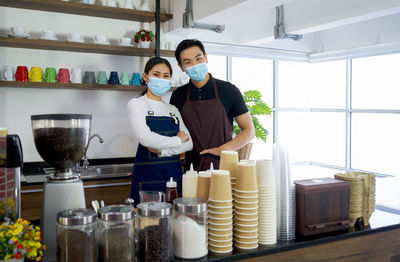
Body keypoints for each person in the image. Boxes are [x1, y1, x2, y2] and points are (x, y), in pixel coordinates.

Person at [170, 39, 255, 171]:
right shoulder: (178, 96)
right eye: (188, 62)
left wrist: (222, 150)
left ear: (206, 58)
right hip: (191, 168)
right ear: (181, 67)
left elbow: (249, 130)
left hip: (223, 166)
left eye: (198, 59)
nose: (195, 64)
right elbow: (175, 132)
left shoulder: (228, 90)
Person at [127, 57, 193, 205]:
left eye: (166, 76)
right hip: (147, 180)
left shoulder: (172, 109)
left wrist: (162, 151)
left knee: (173, 222)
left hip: (173, 178)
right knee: (147, 224)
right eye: (156, 75)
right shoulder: (137, 104)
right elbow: (146, 139)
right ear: (145, 77)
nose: (161, 79)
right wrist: (177, 141)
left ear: (170, 80)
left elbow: (189, 144)